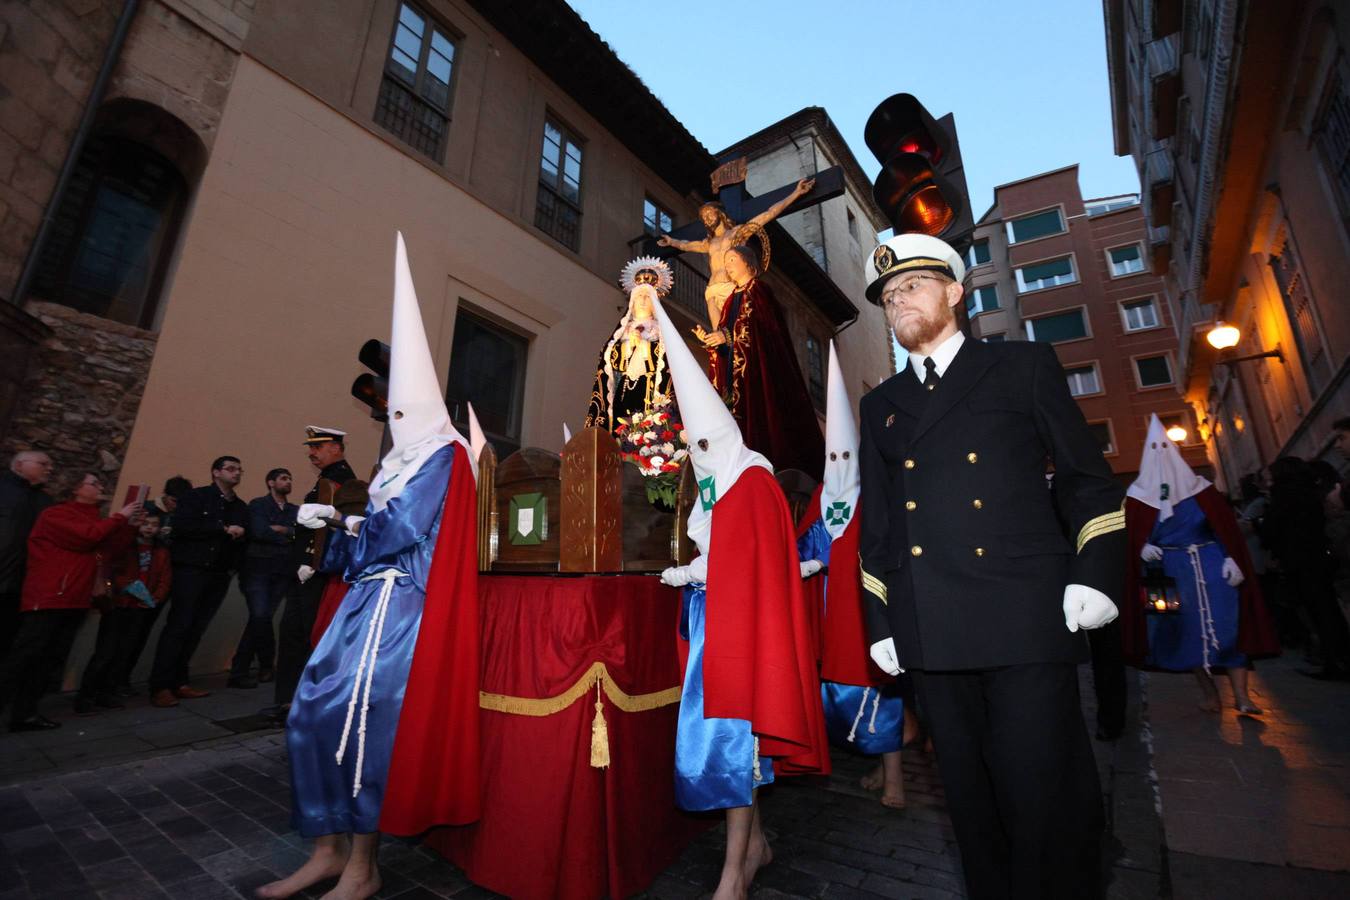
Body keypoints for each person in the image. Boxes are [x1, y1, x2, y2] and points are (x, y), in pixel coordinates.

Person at [857, 234, 1125, 900]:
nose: (898, 303)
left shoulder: (1021, 366)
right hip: (932, 627)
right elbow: (881, 523)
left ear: (954, 292)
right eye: (888, 298)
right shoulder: (882, 404)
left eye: (911, 287)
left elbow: (1086, 479)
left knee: (1042, 793)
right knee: (971, 807)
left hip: (1025, 616)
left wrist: (1094, 572)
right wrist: (881, 617)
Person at [258, 234, 480, 900]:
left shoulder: (442, 455)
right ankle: (325, 848)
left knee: (364, 724)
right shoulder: (395, 462)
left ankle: (362, 864)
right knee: (311, 710)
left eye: (401, 403)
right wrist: (345, 533)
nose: (393, 413)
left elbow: (403, 528)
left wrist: (343, 522)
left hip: (402, 606)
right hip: (362, 601)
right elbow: (365, 545)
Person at [653, 290, 828, 900]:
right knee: (725, 741)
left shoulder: (750, 478)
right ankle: (750, 846)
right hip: (713, 626)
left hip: (741, 631)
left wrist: (695, 574)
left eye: (702, 446)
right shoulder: (716, 479)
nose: (696, 459)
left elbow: (745, 559)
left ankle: (738, 867)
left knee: (734, 741)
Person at [797, 341, 905, 808]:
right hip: (825, 616)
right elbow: (800, 545)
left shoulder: (871, 495)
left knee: (879, 690)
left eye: (846, 457)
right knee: (838, 691)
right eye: (832, 458)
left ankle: (896, 780)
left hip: (863, 615)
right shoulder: (821, 496)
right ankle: (878, 773)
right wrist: (813, 556)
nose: (839, 465)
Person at [1118, 416, 1279, 713]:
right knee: (1187, 631)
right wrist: (1142, 547)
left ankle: (1243, 697)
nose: (1160, 453)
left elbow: (1224, 527)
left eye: (1163, 446)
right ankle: (1209, 693)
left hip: (1212, 565)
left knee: (1229, 625)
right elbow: (1131, 535)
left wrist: (1231, 556)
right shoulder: (1138, 496)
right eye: (1154, 448)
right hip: (1171, 571)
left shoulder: (1202, 490)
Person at [0, 472, 140, 730]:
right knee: (24, 657)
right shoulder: (56, 514)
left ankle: (25, 713)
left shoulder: (96, 518)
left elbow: (111, 550)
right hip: (50, 597)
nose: (101, 487)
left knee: (48, 661)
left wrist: (129, 524)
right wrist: (120, 516)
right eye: (94, 483)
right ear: (76, 489)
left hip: (75, 599)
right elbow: (87, 536)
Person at [698, 243, 824, 477]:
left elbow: (762, 332)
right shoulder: (728, 302)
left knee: (758, 422)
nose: (728, 266)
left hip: (756, 375)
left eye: (732, 260)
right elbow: (729, 337)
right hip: (734, 377)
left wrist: (725, 336)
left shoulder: (760, 291)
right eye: (726, 262)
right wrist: (715, 342)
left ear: (749, 263)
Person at [268, 425, 358, 719]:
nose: (311, 453)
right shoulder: (326, 480)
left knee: (308, 634)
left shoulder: (344, 482)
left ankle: (303, 700)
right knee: (292, 632)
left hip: (318, 572)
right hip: (305, 570)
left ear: (336, 448)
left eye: (318, 447)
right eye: (311, 447)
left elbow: (336, 529)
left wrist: (312, 561)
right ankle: (287, 698)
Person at [148, 456, 248, 707]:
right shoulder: (197, 497)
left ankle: (180, 681)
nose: (236, 473)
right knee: (179, 626)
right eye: (231, 469)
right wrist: (221, 529)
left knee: (196, 629)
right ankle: (160, 685)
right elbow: (182, 527)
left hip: (219, 574)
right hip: (191, 571)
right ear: (216, 472)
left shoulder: (240, 506)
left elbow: (243, 540)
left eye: (239, 470)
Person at [656, 177, 814, 324]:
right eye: (703, 217)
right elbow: (686, 245)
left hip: (731, 286)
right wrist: (672, 242)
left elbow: (769, 213)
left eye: (709, 214)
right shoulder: (709, 243)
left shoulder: (738, 233)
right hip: (712, 289)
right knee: (720, 338)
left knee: (737, 330)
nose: (707, 219)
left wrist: (796, 193)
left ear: (720, 213)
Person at [75, 508, 171, 713]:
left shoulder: (161, 551)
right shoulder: (126, 547)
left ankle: (107, 691)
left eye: (154, 525)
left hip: (141, 608)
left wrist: (155, 598)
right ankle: (86, 694)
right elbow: (115, 570)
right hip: (120, 604)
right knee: (105, 651)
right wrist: (130, 587)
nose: (149, 528)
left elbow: (165, 578)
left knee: (124, 652)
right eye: (146, 524)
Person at [1264, 456, 1350, 679]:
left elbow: (1274, 528)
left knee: (1318, 611)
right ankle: (1338, 656)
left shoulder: (1285, 497)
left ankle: (1334, 660)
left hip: (1301, 561)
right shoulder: (1310, 492)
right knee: (1328, 609)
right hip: (1318, 558)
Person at [584, 256, 676, 433]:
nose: (642, 300)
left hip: (649, 393)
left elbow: (668, 365)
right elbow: (607, 362)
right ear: (632, 302)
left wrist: (644, 346)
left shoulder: (662, 332)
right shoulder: (621, 332)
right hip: (623, 392)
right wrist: (627, 347)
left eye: (647, 297)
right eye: (639, 296)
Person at [229, 468, 298, 688]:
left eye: (290, 478)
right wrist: (287, 535)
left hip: (282, 570)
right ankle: (266, 663)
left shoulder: (295, 509)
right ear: (270, 482)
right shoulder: (258, 504)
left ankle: (240, 670)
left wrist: (283, 531)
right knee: (260, 615)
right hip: (257, 568)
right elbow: (258, 531)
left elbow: (299, 534)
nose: (288, 482)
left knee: (261, 617)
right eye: (283, 478)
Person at [0, 450, 54, 657]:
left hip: (19, 586)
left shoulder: (45, 502)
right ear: (20, 464)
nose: (49, 469)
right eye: (43, 463)